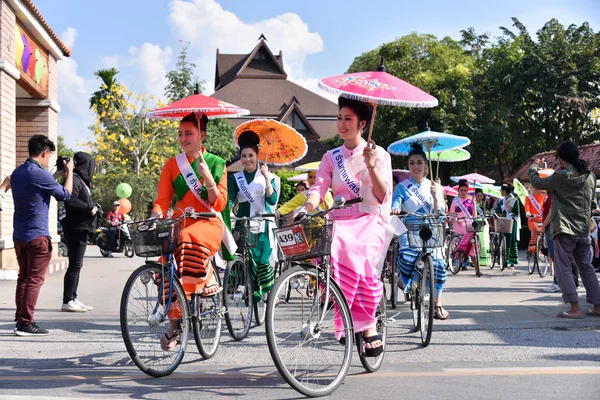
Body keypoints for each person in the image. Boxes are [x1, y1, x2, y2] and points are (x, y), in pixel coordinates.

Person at [303, 96, 392, 356]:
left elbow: (382, 195)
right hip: (340, 220)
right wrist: (305, 209)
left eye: (348, 119)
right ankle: (343, 304)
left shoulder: (380, 155)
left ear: (362, 123)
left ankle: (368, 326)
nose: (342, 124)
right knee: (326, 243)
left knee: (356, 250)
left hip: (369, 220)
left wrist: (370, 165)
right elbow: (318, 188)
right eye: (339, 118)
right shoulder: (331, 157)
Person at [152, 113, 233, 350]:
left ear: (202, 135)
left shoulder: (217, 163)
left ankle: (206, 273)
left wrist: (207, 177)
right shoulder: (171, 165)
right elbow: (162, 201)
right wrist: (155, 216)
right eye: (180, 133)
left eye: (189, 133)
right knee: (163, 263)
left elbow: (219, 204)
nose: (183, 138)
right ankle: (175, 324)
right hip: (180, 224)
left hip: (208, 223)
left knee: (188, 240)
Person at [529, 141, 600, 318]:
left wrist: (534, 166)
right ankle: (598, 306)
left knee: (564, 269)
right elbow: (593, 204)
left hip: (564, 229)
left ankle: (574, 308)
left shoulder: (561, 176)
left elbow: (537, 182)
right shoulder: (590, 176)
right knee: (587, 267)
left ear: (561, 159)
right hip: (584, 230)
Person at [11, 135, 73, 336]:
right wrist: (70, 172)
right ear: (45, 152)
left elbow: (42, 184)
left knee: (24, 278)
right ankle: (26, 323)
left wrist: (57, 174)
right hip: (37, 236)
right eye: (49, 155)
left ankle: (21, 319)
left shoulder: (18, 173)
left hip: (20, 236)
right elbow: (65, 194)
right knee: (34, 280)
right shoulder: (38, 174)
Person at [392, 143, 449, 320]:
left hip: (431, 230)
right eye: (411, 163)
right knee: (407, 257)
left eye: (419, 163)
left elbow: (440, 215)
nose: (415, 167)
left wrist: (435, 197)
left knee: (440, 266)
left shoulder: (435, 187)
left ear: (425, 165)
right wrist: (394, 209)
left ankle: (437, 303)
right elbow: (395, 203)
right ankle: (405, 280)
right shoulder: (402, 187)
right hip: (410, 229)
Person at [228, 131, 279, 303]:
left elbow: (272, 199)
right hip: (243, 225)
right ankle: (247, 289)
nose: (247, 159)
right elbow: (229, 199)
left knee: (263, 261)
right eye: (243, 156)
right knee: (244, 261)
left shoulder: (268, 176)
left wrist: (265, 178)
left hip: (263, 226)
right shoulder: (235, 178)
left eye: (251, 155)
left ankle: (266, 293)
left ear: (257, 155)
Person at [60, 152, 98, 312]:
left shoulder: (78, 180)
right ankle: (67, 300)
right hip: (75, 228)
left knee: (77, 264)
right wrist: (90, 208)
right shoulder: (74, 179)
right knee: (74, 265)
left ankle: (73, 297)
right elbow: (70, 201)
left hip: (80, 227)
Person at [449, 180, 478, 273]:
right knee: (469, 235)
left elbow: (474, 216)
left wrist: (474, 204)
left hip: (468, 224)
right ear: (458, 191)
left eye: (465, 190)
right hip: (459, 224)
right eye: (461, 190)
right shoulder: (455, 201)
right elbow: (451, 216)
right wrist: (456, 220)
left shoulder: (470, 200)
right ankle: (460, 250)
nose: (463, 192)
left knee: (472, 243)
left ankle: (477, 269)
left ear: (467, 190)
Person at [495, 183, 520, 269]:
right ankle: (503, 262)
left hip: (512, 222)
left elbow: (516, 212)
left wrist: (508, 205)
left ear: (505, 191)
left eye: (502, 190)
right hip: (503, 221)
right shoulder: (502, 200)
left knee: (511, 240)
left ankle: (512, 263)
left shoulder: (514, 200)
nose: (501, 192)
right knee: (503, 239)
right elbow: (497, 209)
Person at [525, 186, 546, 254]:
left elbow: (546, 207)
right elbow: (527, 207)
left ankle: (543, 245)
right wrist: (528, 213)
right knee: (535, 230)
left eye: (537, 186)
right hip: (533, 219)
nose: (536, 188)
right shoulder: (528, 198)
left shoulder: (544, 197)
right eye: (534, 186)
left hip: (542, 219)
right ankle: (532, 247)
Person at [474, 189, 490, 267]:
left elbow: (486, 214)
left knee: (485, 240)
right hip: (477, 223)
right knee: (478, 240)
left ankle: (485, 260)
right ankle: (476, 259)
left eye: (481, 196)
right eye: (478, 196)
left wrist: (484, 207)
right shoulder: (474, 204)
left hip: (484, 223)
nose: (479, 197)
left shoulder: (485, 204)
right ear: (475, 196)